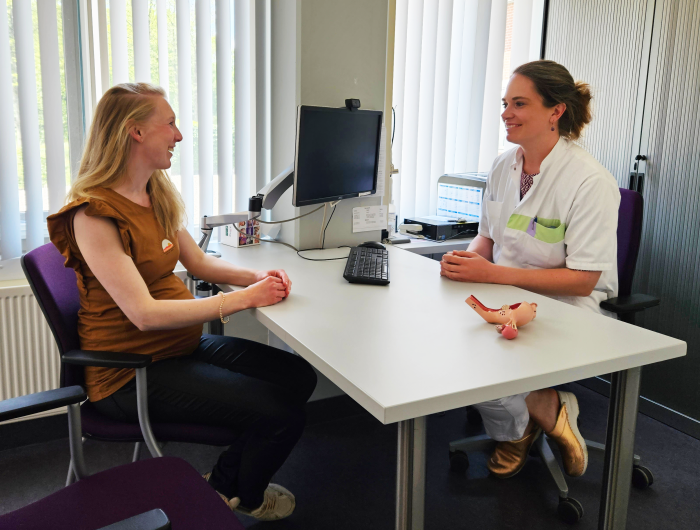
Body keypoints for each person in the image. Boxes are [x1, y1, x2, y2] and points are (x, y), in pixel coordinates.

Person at [47, 83, 317, 521]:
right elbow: (144, 314)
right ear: (134, 132)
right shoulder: (93, 214)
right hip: (129, 371)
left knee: (297, 376)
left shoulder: (153, 194)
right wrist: (242, 301)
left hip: (178, 347)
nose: (179, 135)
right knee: (281, 414)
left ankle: (222, 484)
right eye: (169, 123)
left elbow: (198, 263)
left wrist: (255, 277)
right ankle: (242, 496)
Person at [440, 60, 620, 479]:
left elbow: (585, 278)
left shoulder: (589, 181)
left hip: (567, 305)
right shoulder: (505, 166)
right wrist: (466, 261)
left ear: (556, 111)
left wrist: (492, 274)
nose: (506, 112)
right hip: (505, 292)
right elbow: (486, 237)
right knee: (459, 343)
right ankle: (526, 422)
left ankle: (538, 410)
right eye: (505, 102)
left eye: (519, 103)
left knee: (489, 353)